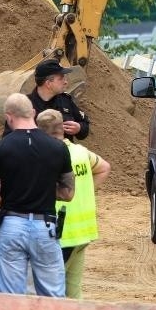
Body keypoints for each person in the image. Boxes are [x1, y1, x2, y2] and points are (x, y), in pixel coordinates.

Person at [0, 93, 74, 297]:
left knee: (10, 298)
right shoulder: (58, 148)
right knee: (53, 296)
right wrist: (44, 188)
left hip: (12, 224)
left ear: (9, 117)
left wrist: (5, 189)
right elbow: (68, 193)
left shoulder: (0, 148)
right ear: (32, 112)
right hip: (45, 226)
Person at [36, 109, 110, 298]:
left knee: (52, 291)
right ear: (62, 128)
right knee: (74, 291)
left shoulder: (49, 157)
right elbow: (104, 168)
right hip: (83, 233)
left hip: (62, 234)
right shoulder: (80, 152)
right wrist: (85, 191)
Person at [2, 59, 89, 141]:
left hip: (62, 155)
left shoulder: (65, 101)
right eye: (61, 78)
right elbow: (8, 139)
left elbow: (84, 124)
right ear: (48, 83)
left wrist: (79, 128)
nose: (66, 82)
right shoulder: (22, 106)